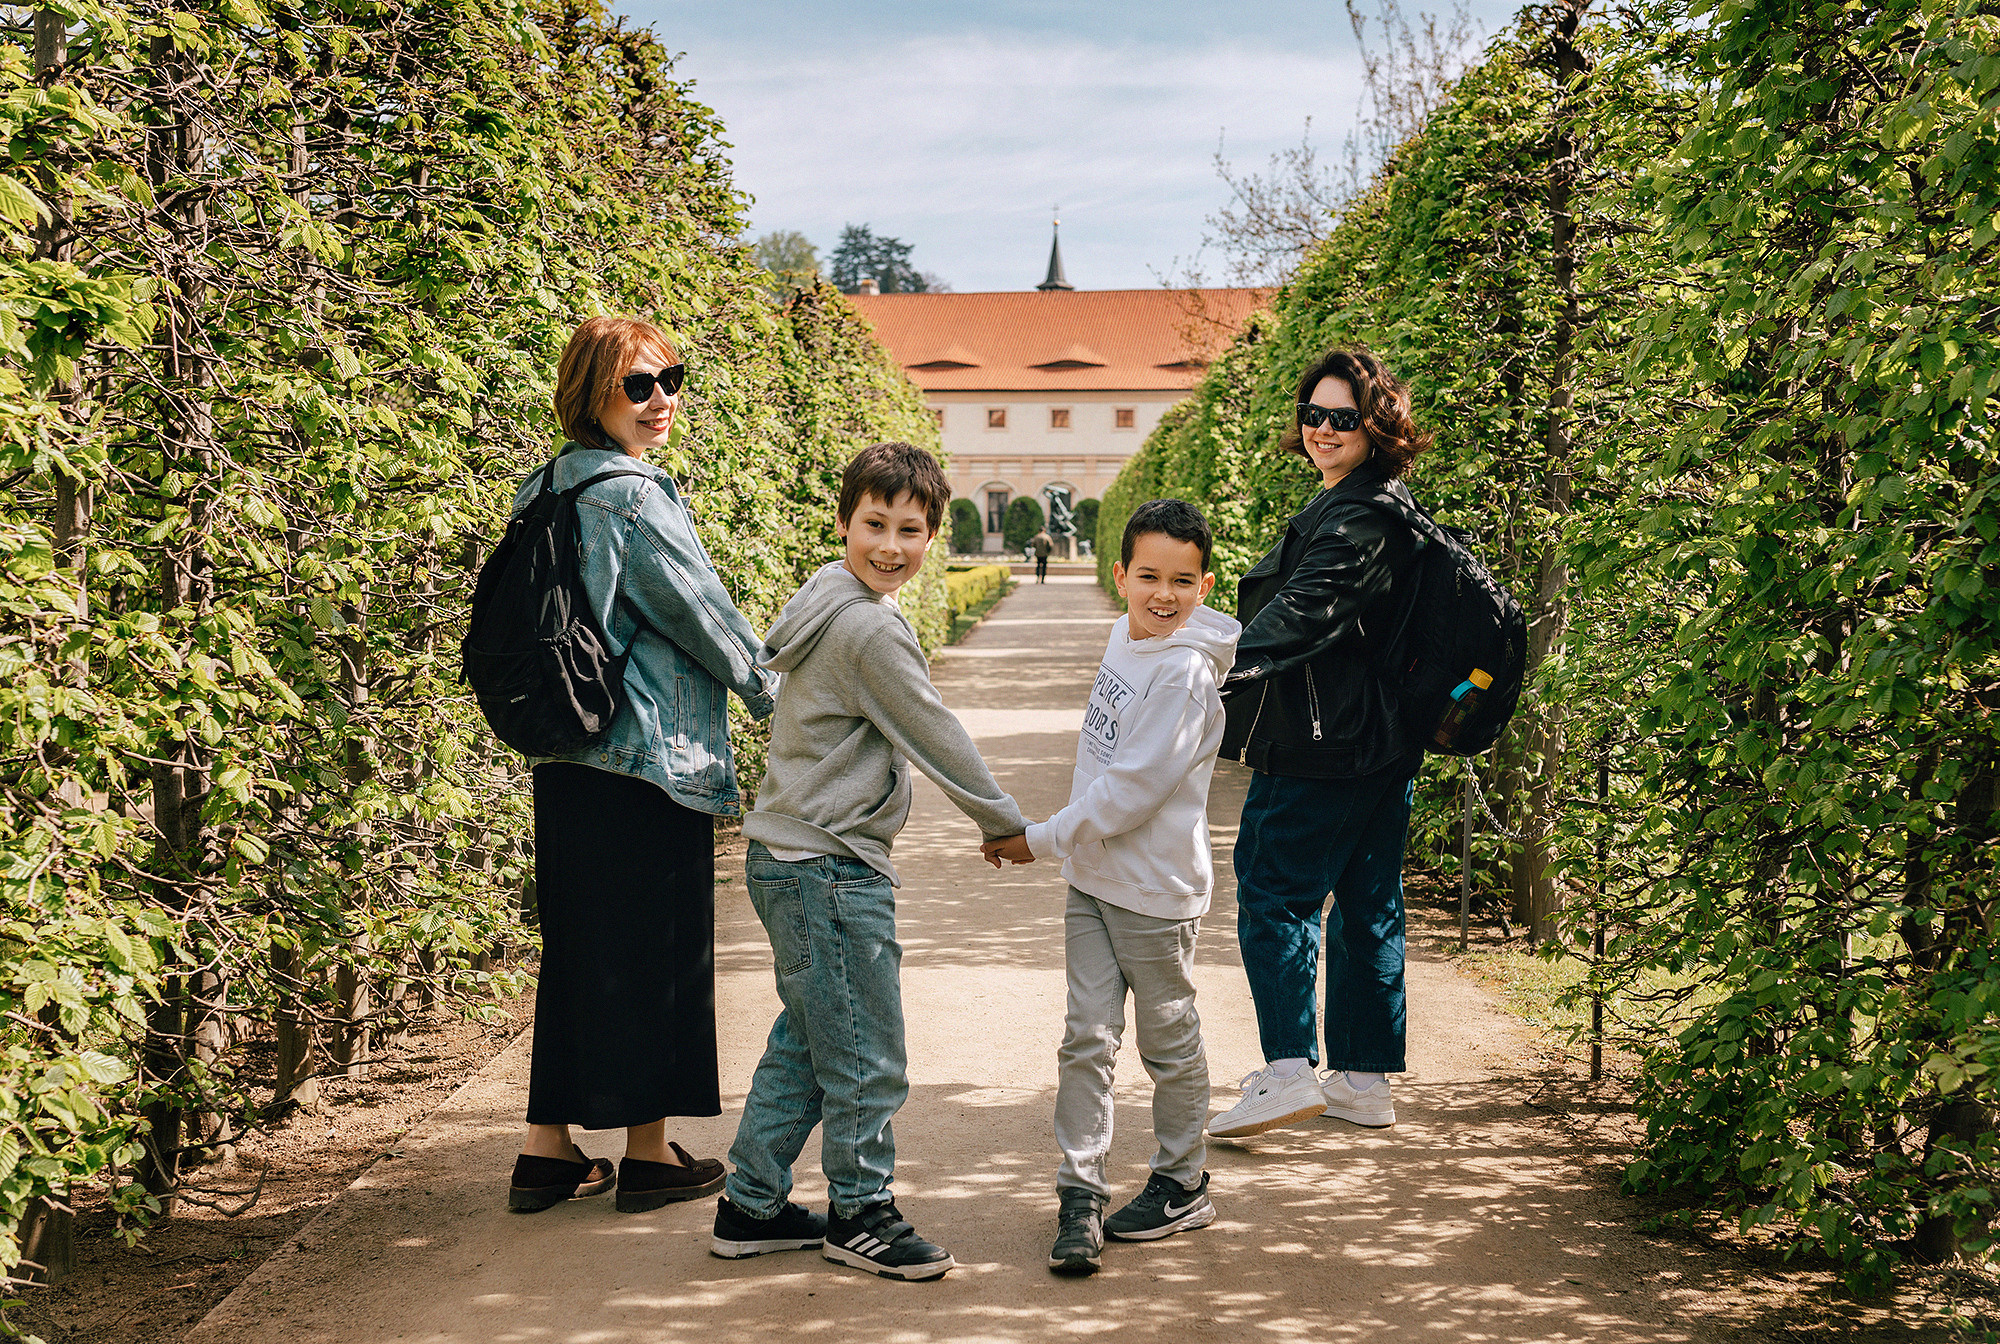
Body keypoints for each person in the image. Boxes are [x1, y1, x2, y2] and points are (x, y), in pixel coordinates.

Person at [714, 441, 1030, 1281]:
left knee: (816, 1042)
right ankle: (861, 1212)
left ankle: (749, 1205)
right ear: (846, 520)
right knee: (866, 1054)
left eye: (911, 529)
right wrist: (1005, 823)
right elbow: (936, 734)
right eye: (875, 525)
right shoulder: (866, 627)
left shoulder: (828, 593)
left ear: (935, 536)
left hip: (788, 855)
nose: (892, 545)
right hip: (830, 866)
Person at [507, 316, 777, 1214]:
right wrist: (785, 696)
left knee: (581, 951)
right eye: (638, 386)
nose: (660, 401)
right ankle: (650, 1155)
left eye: (671, 381)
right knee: (660, 954)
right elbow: (707, 618)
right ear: (593, 393)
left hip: (566, 753)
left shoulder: (541, 487)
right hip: (646, 756)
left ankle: (547, 1153)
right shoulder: (630, 495)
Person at [986, 499, 1241, 1276]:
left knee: (1168, 1045)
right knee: (1086, 1040)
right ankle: (1079, 1191)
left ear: (1203, 585)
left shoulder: (1186, 677)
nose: (1163, 595)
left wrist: (1036, 840)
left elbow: (1128, 792)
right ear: (1120, 574)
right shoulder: (1124, 634)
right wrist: (1063, 851)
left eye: (1183, 581)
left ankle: (1181, 1179)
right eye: (1149, 577)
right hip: (1092, 884)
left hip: (1155, 895)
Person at [1205, 348, 1434, 1141]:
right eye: (1314, 414)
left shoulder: (1362, 515)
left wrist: (1217, 667)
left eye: (1344, 417)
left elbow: (1308, 608)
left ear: (1379, 425)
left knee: (1275, 889)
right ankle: (1363, 1084)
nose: (1324, 429)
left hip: (1325, 738)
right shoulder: (1382, 507)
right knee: (1369, 906)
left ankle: (1288, 1071)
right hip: (1379, 741)